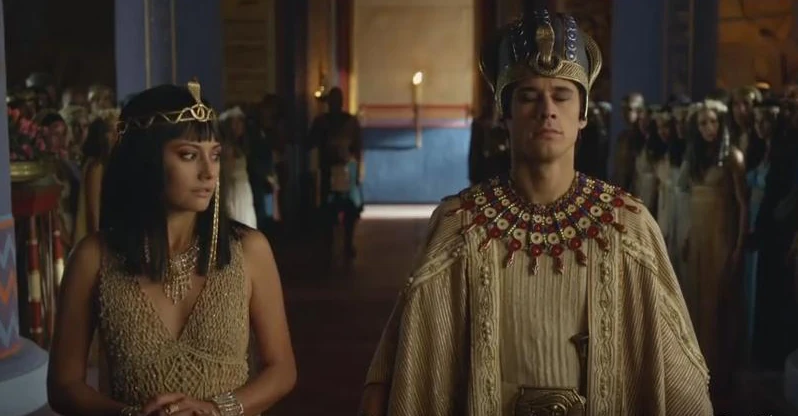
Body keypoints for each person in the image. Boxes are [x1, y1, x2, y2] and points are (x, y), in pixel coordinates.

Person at [359, 7, 711, 416]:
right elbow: (401, 365)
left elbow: (681, 380)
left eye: (561, 95)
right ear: (504, 114)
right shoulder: (461, 224)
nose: (547, 110)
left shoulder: (627, 225)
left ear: (582, 114)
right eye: (528, 96)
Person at [47, 82, 296, 416]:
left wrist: (216, 410)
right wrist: (130, 415)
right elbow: (63, 386)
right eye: (189, 155)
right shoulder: (93, 258)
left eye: (214, 155)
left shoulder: (249, 251)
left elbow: (282, 369)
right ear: (146, 159)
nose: (209, 172)